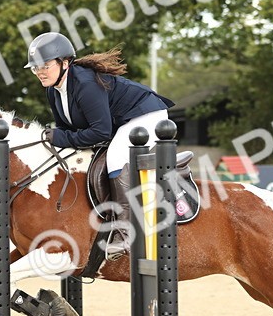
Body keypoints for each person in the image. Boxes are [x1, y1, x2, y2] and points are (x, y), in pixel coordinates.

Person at [25, 32, 174, 259]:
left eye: (45, 65)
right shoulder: (53, 90)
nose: (40, 72)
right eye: (35, 68)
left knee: (115, 156)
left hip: (146, 117)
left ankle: (125, 233)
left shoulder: (85, 84)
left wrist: (60, 138)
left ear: (65, 63)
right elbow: (67, 129)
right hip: (121, 123)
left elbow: (100, 132)